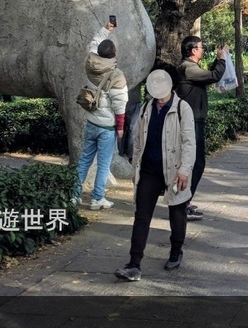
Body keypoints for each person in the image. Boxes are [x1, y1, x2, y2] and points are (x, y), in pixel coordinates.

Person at [115, 69, 195, 282]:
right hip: (149, 170)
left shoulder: (182, 108)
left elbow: (189, 143)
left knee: (177, 213)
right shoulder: (146, 108)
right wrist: (136, 168)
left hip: (174, 170)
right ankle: (134, 264)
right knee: (141, 216)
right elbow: (138, 139)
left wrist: (184, 170)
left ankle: (176, 251)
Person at [75, 24, 128, 210]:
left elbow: (94, 42)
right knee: (104, 164)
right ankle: (97, 198)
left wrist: (106, 28)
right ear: (114, 54)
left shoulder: (90, 62)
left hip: (91, 121)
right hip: (107, 127)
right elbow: (120, 106)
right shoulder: (116, 76)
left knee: (84, 160)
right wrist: (120, 128)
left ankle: (73, 195)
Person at [173, 35, 226, 221]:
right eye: (201, 47)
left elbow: (206, 75)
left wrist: (217, 61)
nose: (203, 50)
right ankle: (182, 204)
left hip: (194, 121)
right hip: (191, 123)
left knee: (192, 164)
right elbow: (214, 76)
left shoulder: (190, 68)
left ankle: (183, 201)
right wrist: (221, 60)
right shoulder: (188, 68)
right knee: (194, 164)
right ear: (193, 50)